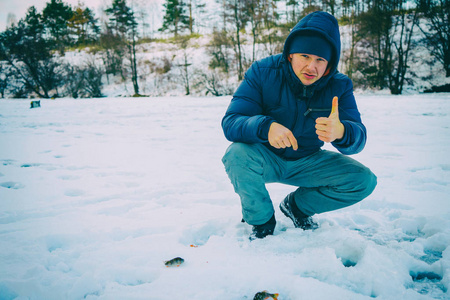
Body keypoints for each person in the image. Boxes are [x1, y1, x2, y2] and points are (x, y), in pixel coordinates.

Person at [221, 11, 377, 239]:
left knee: (363, 180)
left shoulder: (339, 85)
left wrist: (342, 131)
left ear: (329, 64)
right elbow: (231, 122)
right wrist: (265, 127)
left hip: (308, 161)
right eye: (305, 56)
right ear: (290, 55)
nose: (311, 67)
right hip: (265, 157)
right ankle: (262, 221)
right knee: (237, 153)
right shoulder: (263, 72)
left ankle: (297, 207)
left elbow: (358, 138)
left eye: (320, 60)